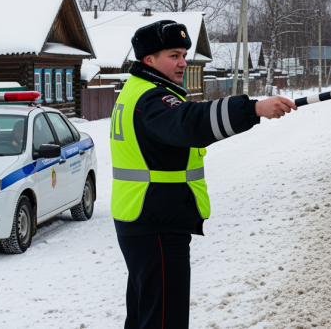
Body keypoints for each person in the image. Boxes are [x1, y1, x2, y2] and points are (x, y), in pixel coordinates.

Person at [111, 19, 298, 329]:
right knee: (163, 320)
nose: (183, 62)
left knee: (147, 314)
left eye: (184, 54)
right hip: (156, 223)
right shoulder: (152, 100)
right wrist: (252, 110)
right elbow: (190, 122)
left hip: (143, 219)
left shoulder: (138, 91)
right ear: (149, 60)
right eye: (173, 55)